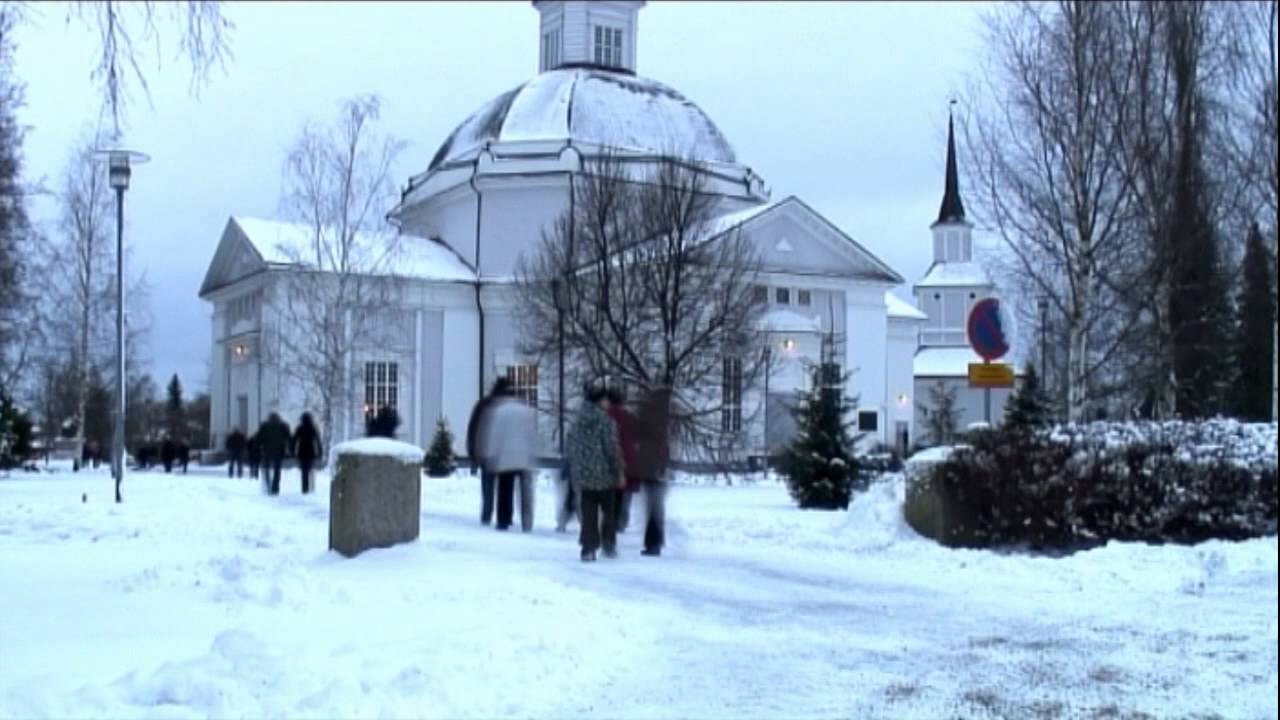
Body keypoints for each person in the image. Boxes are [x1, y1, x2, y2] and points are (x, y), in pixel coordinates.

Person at [566, 385, 624, 562]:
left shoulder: (577, 421)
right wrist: (618, 469)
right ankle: (608, 543)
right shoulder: (605, 420)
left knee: (588, 511)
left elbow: (571, 445)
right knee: (608, 510)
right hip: (605, 473)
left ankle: (588, 548)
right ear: (600, 401)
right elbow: (611, 448)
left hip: (584, 474)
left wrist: (576, 468)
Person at [481, 379, 537, 532]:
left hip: (505, 457)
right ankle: (527, 521)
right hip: (523, 456)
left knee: (505, 489)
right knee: (525, 492)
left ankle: (503, 520)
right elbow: (531, 434)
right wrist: (532, 453)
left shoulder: (499, 411)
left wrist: (492, 454)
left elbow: (495, 435)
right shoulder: (525, 410)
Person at [632, 387, 673, 557]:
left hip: (648, 468)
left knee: (653, 507)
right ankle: (655, 541)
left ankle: (653, 542)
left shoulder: (647, 414)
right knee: (656, 507)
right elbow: (663, 447)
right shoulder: (662, 418)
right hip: (656, 469)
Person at [466, 379, 506, 525]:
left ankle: (486, 515)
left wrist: (473, 454)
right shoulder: (505, 406)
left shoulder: (483, 405)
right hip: (502, 452)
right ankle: (503, 517)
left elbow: (473, 430)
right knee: (504, 487)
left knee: (487, 487)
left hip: (486, 452)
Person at [605, 387, 638, 532]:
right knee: (626, 494)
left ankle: (610, 520)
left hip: (609, 461)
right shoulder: (629, 417)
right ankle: (622, 522)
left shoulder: (604, 416)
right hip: (629, 461)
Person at [257, 413, 291, 495]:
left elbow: (259, 438)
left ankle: (268, 486)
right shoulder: (283, 425)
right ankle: (275, 488)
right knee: (277, 470)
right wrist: (289, 449)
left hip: (267, 451)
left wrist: (258, 446)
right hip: (279, 451)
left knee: (266, 468)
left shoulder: (264, 425)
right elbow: (288, 438)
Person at [291, 412, 323, 494]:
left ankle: (305, 488)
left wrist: (292, 451)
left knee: (304, 471)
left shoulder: (299, 428)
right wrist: (319, 452)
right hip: (311, 451)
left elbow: (294, 440)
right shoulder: (313, 428)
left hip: (302, 451)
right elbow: (317, 441)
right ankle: (310, 486)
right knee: (310, 469)